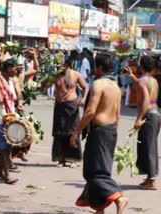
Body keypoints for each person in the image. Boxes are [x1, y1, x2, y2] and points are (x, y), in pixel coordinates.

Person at [70, 53, 128, 214]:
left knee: (93, 171)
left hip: (101, 131)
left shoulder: (99, 84)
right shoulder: (115, 86)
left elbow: (90, 112)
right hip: (110, 131)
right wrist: (113, 134)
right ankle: (99, 208)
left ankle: (119, 198)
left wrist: (76, 132)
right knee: (101, 168)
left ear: (99, 68)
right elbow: (117, 115)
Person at [125, 55, 161, 190]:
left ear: (142, 67)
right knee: (147, 145)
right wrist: (132, 76)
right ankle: (148, 178)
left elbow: (145, 99)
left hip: (148, 116)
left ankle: (152, 180)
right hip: (156, 114)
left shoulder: (142, 81)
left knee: (149, 147)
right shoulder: (153, 81)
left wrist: (139, 119)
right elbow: (141, 85)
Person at [0, 58, 20, 184]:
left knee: (9, 147)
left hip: (10, 117)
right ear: (8, 69)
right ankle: (7, 175)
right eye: (14, 68)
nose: (16, 70)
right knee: (4, 148)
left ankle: (0, 171)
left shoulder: (10, 81)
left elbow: (13, 99)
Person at [52, 59, 89, 167]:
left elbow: (85, 87)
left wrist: (84, 98)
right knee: (59, 132)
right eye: (58, 65)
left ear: (67, 65)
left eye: (61, 64)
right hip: (59, 106)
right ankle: (61, 159)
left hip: (72, 105)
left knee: (72, 131)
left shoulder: (75, 74)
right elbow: (45, 85)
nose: (59, 66)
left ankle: (73, 159)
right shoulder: (56, 75)